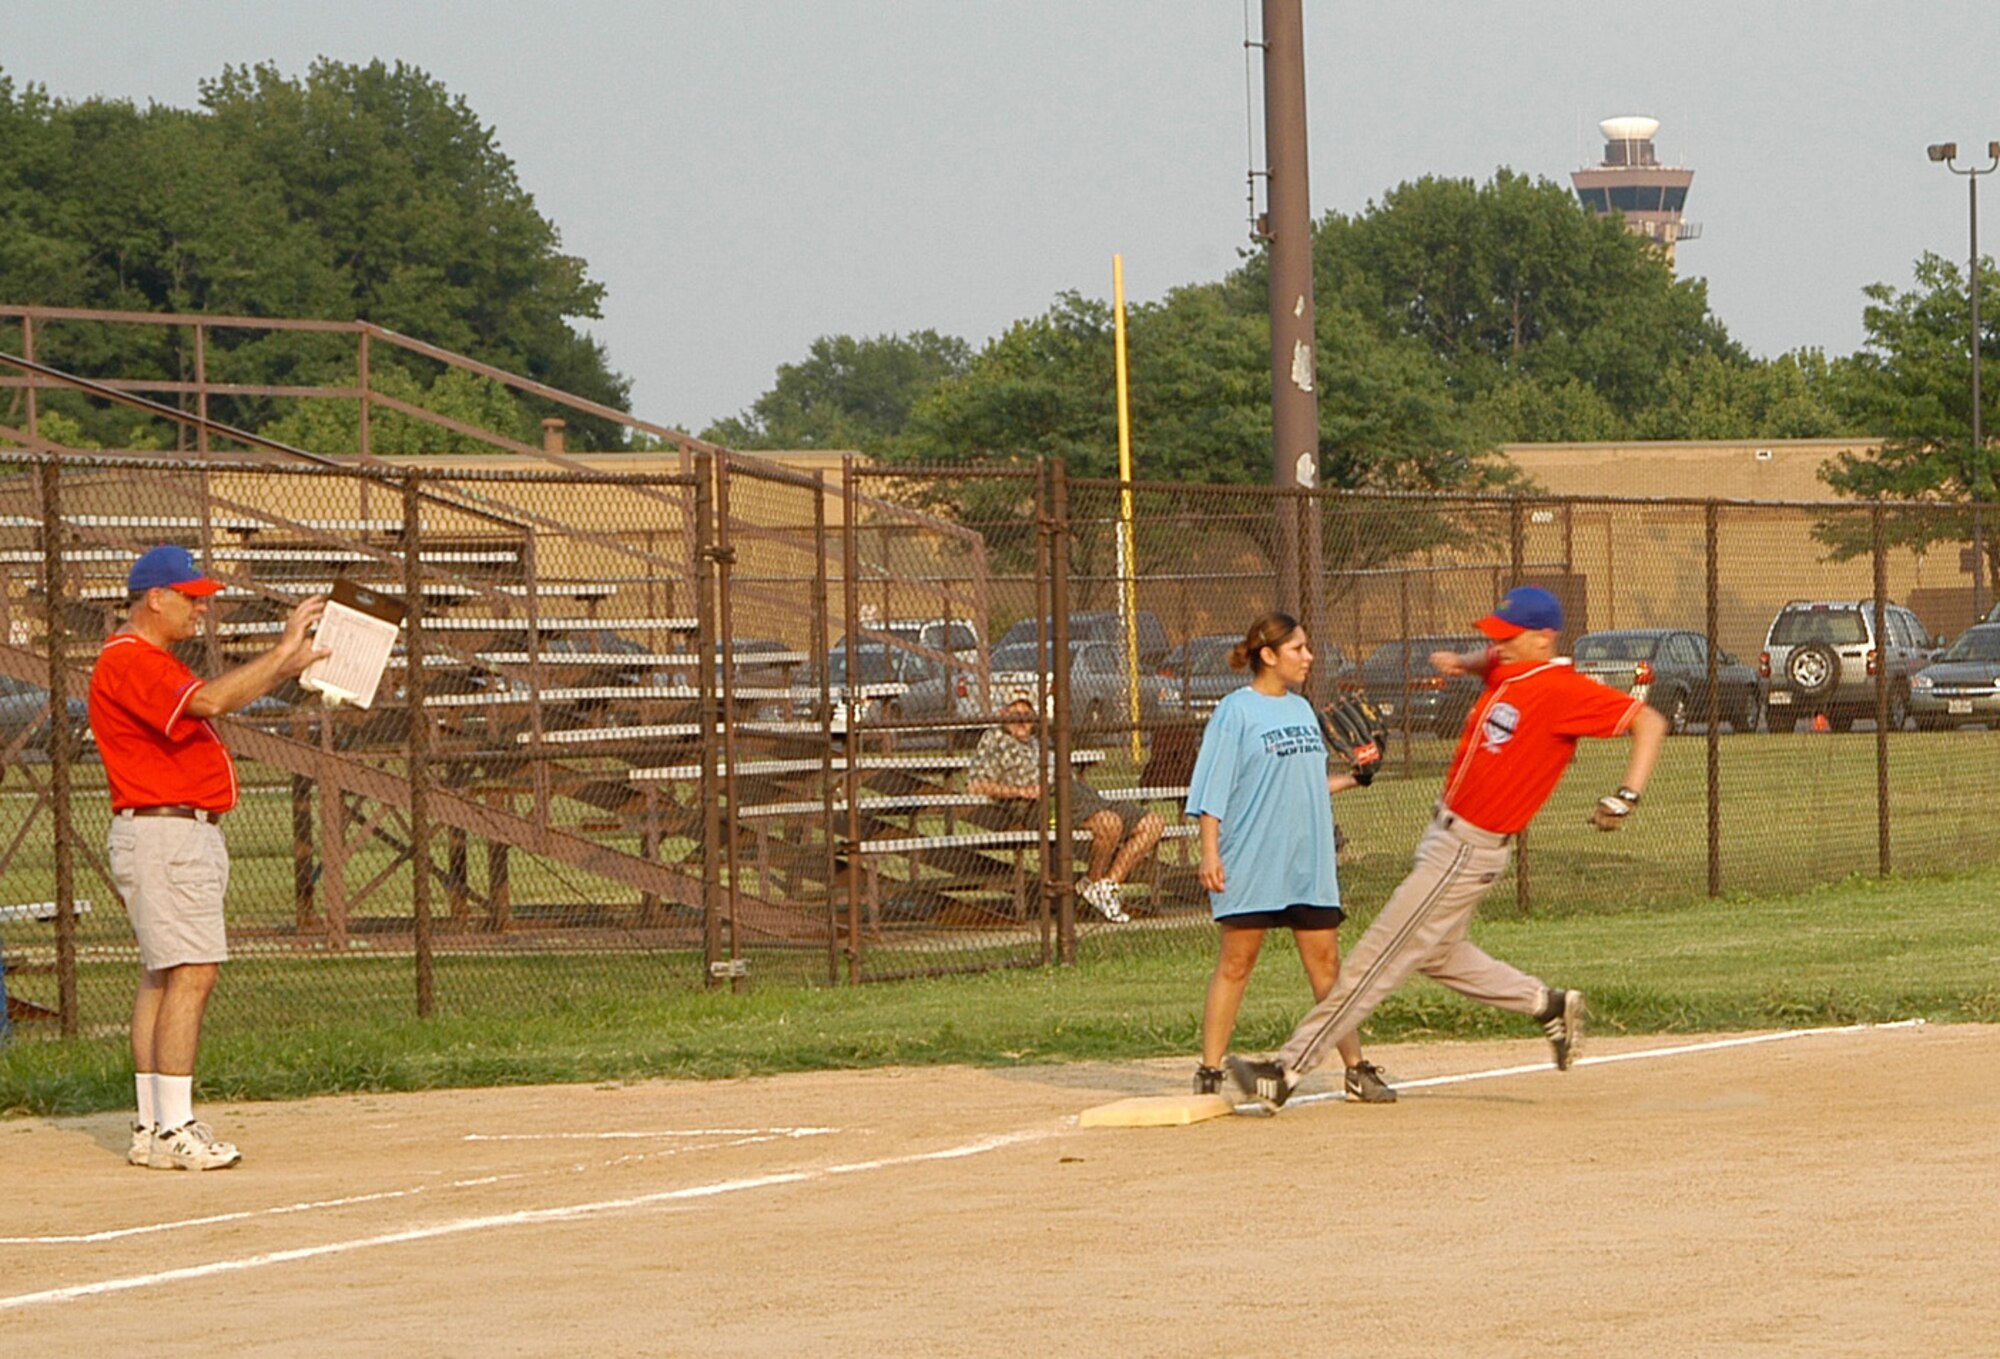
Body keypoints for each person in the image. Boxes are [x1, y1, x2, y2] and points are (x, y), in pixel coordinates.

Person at [1225, 585, 1669, 1112]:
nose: (1497, 646)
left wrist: (1625, 797)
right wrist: (1463, 662)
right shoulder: (1510, 668)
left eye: (1509, 637)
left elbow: (1650, 722)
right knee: (1438, 954)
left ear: (1544, 639)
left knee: (1378, 956)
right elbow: (1490, 660)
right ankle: (1546, 1004)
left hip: (1469, 849)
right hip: (1447, 838)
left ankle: (1286, 1069)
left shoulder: (1563, 690)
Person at [87, 545, 328, 1170]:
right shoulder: (133, 659)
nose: (200, 610)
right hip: (166, 835)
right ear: (154, 599)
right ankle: (174, 1127)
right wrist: (281, 654)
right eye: (190, 598)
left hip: (165, 834)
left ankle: (151, 1125)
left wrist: (286, 666)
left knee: (165, 974)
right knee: (192, 971)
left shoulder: (144, 660)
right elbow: (212, 702)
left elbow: (213, 699)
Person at [1185, 613, 1394, 1105]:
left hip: (1307, 859)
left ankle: (1357, 1068)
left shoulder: (1302, 711)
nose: (1308, 656)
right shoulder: (1235, 711)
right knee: (1238, 962)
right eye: (1298, 648)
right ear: (1268, 655)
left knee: (1327, 965)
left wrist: (1355, 777)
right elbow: (1212, 786)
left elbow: (1307, 786)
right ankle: (1210, 1071)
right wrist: (1209, 852)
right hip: (1253, 858)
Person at [965, 687, 1164, 923]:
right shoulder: (994, 739)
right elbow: (976, 786)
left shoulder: (1039, 741)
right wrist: (1022, 791)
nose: (1021, 720)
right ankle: (1093, 881)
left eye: (1027, 715)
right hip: (1040, 804)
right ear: (1002, 715)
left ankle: (1105, 886)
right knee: (1109, 823)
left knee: (1153, 823)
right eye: (1015, 713)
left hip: (1075, 792)